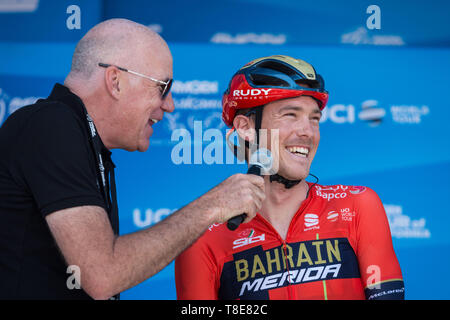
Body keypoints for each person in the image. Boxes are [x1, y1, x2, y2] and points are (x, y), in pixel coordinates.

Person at [0, 19, 265, 300]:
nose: (170, 104)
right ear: (115, 81)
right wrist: (213, 205)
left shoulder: (87, 143)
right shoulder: (52, 124)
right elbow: (103, 275)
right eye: (163, 86)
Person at [175, 55, 405, 300]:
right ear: (245, 127)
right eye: (290, 115)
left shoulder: (357, 205)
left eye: (314, 119)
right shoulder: (200, 237)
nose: (307, 132)